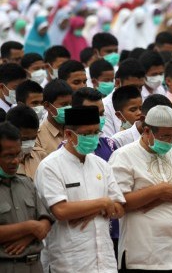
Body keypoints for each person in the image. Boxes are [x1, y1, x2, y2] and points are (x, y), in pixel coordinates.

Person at [109, 105, 172, 272]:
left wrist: (159, 197)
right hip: (145, 256)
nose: (170, 141)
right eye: (165, 136)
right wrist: (157, 191)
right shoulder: (124, 156)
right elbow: (119, 203)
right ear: (146, 131)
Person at [35, 106, 126, 273]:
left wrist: (91, 209)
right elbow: (61, 210)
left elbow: (119, 208)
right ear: (69, 134)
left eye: (96, 132)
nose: (93, 138)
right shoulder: (50, 166)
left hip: (104, 261)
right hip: (70, 262)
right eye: (87, 134)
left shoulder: (101, 164)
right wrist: (103, 203)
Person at [0, 122, 53, 273]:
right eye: (8, 156)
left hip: (34, 265)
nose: (16, 161)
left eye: (18, 154)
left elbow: (45, 222)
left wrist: (29, 236)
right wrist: (29, 227)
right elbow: (36, 225)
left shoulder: (27, 183)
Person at [102, 59, 145, 137]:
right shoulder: (104, 108)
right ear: (117, 82)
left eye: (140, 87)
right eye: (133, 87)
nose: (137, 91)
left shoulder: (142, 100)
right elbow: (110, 144)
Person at [6, 105, 47, 180]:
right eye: (24, 139)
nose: (30, 143)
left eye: (33, 138)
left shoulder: (41, 155)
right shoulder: (3, 162)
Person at [36, 79, 72, 155]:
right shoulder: (38, 137)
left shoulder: (77, 130)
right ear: (47, 106)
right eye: (64, 104)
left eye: (70, 104)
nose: (69, 108)